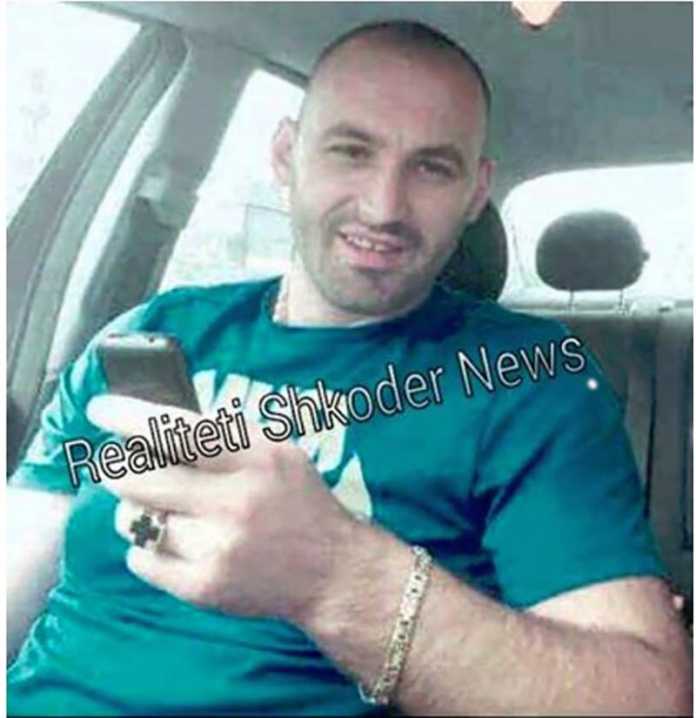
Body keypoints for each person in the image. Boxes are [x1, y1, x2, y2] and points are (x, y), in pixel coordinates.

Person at [7, 20, 691, 716]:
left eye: (432, 168)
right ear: (286, 155)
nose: (383, 206)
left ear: (475, 192)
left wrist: (334, 576)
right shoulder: (154, 332)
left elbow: (643, 700)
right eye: (351, 151)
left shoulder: (531, 381)